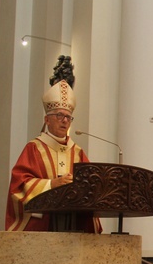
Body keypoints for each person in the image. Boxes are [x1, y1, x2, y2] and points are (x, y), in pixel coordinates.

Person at [6, 57, 101, 233]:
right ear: (47, 120)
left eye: (68, 117)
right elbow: (18, 186)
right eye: (59, 116)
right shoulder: (34, 148)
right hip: (43, 227)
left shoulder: (78, 152)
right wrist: (51, 185)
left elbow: (91, 185)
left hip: (74, 226)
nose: (64, 121)